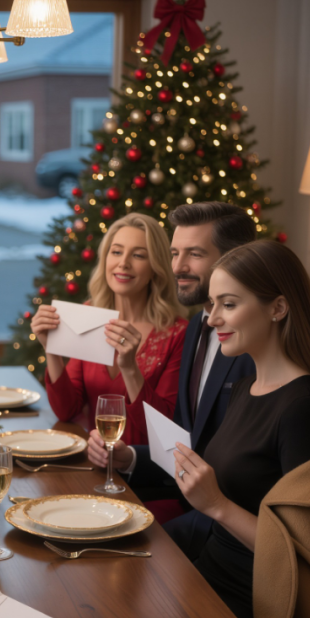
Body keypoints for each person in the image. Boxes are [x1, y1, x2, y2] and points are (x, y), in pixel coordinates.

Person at [86, 203, 257, 529]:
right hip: (180, 495)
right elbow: (183, 439)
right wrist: (132, 457)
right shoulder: (197, 328)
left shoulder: (249, 344)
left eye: (194, 254)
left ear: (234, 258)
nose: (178, 266)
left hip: (225, 521)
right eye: (174, 253)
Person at [171, 241, 310, 618]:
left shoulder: (301, 407)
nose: (212, 319)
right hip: (206, 576)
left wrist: (216, 504)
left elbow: (301, 553)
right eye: (212, 304)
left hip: (254, 605)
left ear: (278, 308)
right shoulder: (246, 387)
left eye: (228, 304)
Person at [31, 213, 187, 446]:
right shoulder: (89, 315)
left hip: (144, 474)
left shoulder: (177, 333)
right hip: (95, 463)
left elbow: (163, 430)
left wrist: (130, 368)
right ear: (105, 259)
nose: (123, 262)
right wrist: (51, 348)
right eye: (116, 252)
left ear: (155, 268)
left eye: (138, 255)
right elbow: (66, 410)